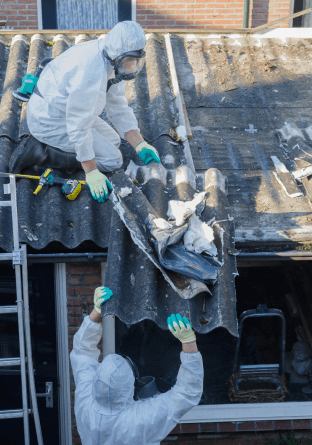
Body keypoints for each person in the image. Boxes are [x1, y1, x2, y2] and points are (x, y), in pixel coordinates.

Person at [9, 21, 161, 203]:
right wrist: (91, 171)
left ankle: (60, 150)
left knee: (114, 140)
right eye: (129, 60)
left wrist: (140, 144)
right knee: (113, 160)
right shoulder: (90, 74)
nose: (132, 65)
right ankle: (40, 151)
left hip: (63, 108)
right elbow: (78, 128)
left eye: (136, 60)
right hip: (50, 119)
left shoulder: (110, 58)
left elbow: (118, 106)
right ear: (118, 54)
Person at [70, 286, 204, 445]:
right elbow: (187, 393)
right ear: (130, 384)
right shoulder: (139, 420)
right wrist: (189, 344)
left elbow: (82, 352)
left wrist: (96, 313)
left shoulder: (86, 404)